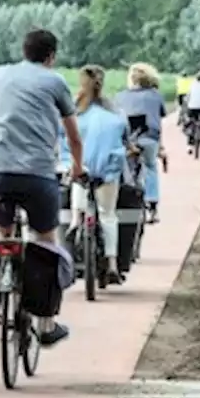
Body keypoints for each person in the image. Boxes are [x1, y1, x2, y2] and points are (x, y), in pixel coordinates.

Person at [0, 28, 85, 346]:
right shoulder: (55, 82)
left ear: (23, 50)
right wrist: (77, 168)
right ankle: (47, 324)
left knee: (2, 233)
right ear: (51, 56)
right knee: (45, 242)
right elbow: (73, 136)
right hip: (38, 173)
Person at [65, 65, 129, 283]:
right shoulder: (115, 113)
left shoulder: (73, 111)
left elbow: (63, 142)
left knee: (77, 188)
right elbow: (124, 142)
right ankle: (112, 263)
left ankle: (75, 223)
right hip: (107, 172)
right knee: (108, 214)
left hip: (81, 169)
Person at [114, 62, 167, 223]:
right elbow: (159, 119)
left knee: (127, 169)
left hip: (129, 139)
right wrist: (161, 146)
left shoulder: (120, 96)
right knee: (151, 167)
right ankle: (152, 207)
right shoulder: (156, 95)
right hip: (150, 138)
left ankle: (128, 202)